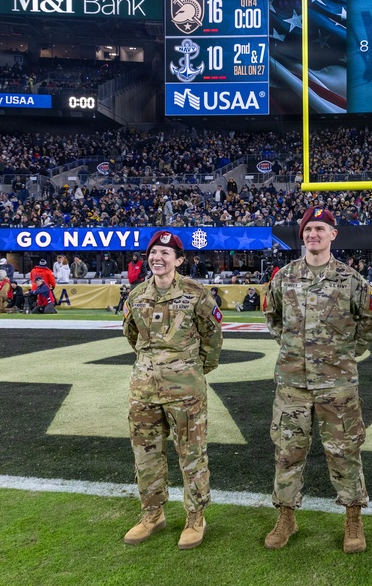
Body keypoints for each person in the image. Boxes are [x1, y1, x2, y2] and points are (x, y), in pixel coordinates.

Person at [262, 207, 372, 554]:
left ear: (333, 235)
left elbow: (370, 321)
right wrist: (292, 349)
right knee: (287, 452)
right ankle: (286, 517)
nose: (313, 234)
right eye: (308, 229)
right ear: (302, 236)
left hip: (337, 384)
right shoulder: (284, 278)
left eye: (320, 228)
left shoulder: (351, 280)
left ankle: (353, 519)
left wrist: (345, 353)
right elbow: (273, 318)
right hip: (292, 384)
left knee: (345, 452)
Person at [122, 230, 223, 550]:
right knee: (146, 455)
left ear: (179, 260)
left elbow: (213, 338)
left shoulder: (197, 293)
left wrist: (194, 370)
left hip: (186, 390)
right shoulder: (136, 295)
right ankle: (152, 514)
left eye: (166, 253)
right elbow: (131, 335)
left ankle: (196, 517)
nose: (158, 257)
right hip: (144, 391)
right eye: (154, 252)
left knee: (191, 455)